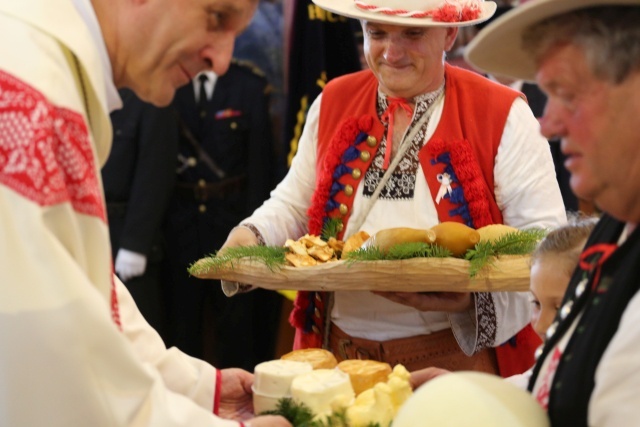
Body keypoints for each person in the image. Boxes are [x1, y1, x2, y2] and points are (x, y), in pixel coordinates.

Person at [220, 0, 567, 378]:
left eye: (413, 34)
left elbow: (545, 245)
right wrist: (250, 235)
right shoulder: (333, 100)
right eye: (377, 32)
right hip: (335, 361)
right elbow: (293, 205)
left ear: (449, 33)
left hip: (452, 368)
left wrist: (470, 300)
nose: (391, 52)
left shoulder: (503, 114)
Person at [0, 0, 290, 425]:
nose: (222, 60)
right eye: (216, 18)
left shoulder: (41, 66)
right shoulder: (28, 95)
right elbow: (55, 367)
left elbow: (85, 290)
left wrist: (192, 387)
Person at [465, 0, 640, 425]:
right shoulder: (619, 223)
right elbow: (567, 376)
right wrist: (465, 395)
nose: (547, 124)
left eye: (566, 93)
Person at [164, 61, 282, 370]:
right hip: (181, 226)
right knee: (182, 327)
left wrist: (254, 231)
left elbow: (260, 168)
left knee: (236, 327)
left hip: (231, 223)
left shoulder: (248, 86)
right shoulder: (172, 81)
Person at [409, 215, 599, 389]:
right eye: (536, 303)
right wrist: (459, 388)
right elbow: (525, 388)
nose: (541, 324)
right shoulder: (555, 362)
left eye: (558, 307)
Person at [103, 88, 178, 335]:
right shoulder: (87, 92)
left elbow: (155, 171)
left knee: (137, 332)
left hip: (128, 236)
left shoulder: (150, 94)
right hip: (96, 229)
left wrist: (135, 243)